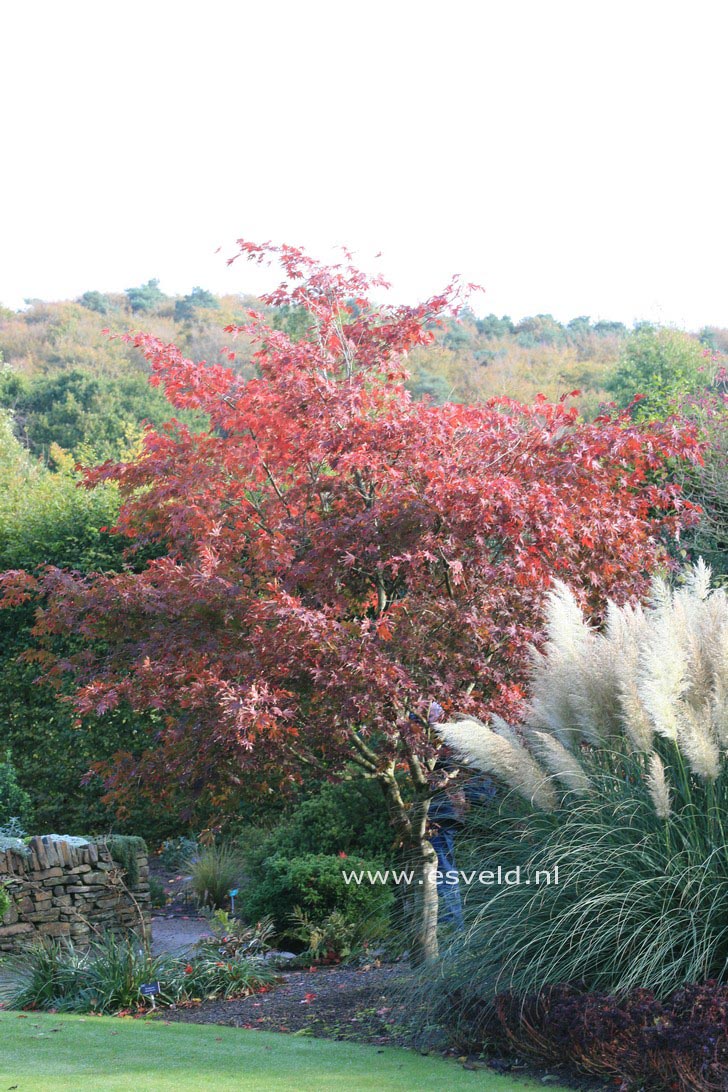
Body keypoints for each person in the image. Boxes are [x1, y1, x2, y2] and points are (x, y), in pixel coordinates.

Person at [411, 703, 497, 930]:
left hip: (442, 810)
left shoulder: (437, 741)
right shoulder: (451, 736)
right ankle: (448, 924)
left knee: (441, 866)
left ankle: (451, 925)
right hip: (452, 808)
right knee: (439, 865)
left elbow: (453, 775)